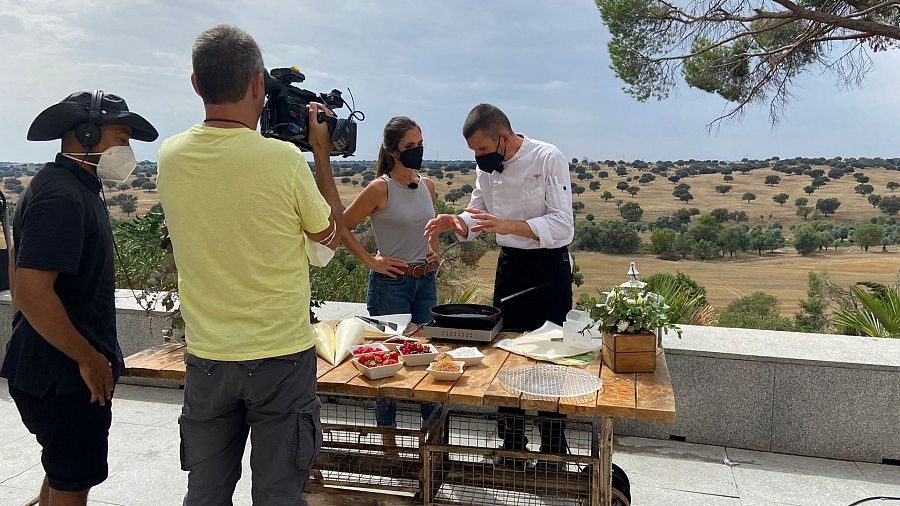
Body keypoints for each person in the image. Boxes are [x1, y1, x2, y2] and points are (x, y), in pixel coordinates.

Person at [157, 25, 342, 505]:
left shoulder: (169, 156)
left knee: (205, 494)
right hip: (280, 354)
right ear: (258, 83)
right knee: (279, 494)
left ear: (195, 84)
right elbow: (328, 238)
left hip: (207, 356)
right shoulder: (283, 160)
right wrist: (320, 153)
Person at [2, 90, 158, 505]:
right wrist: (89, 359)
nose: (127, 150)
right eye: (121, 138)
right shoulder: (62, 197)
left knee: (63, 469)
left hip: (58, 370)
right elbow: (31, 291)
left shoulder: (71, 186)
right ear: (86, 134)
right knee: (72, 482)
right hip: (63, 375)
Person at [424, 103, 574, 467]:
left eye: (482, 148)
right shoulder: (486, 168)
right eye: (473, 151)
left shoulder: (548, 157)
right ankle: (512, 448)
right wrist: (456, 222)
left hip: (549, 268)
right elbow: (477, 215)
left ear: (503, 138)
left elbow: (562, 225)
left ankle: (553, 451)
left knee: (550, 359)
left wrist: (509, 226)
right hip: (510, 268)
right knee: (505, 356)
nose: (478, 157)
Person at [340, 116, 439, 438]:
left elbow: (430, 227)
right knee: (385, 363)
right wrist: (372, 261)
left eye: (420, 144)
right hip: (390, 285)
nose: (418, 150)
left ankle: (432, 444)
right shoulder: (379, 188)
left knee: (427, 360)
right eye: (410, 145)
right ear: (393, 151)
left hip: (426, 282)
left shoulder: (428, 185)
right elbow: (343, 227)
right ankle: (388, 443)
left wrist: (434, 252)